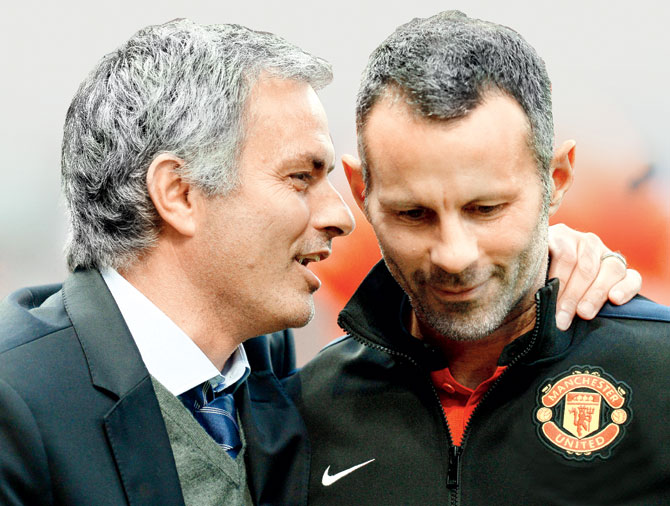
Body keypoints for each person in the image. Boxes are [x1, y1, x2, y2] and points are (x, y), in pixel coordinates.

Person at [0, 17, 642, 506]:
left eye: (486, 209)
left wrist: (537, 256)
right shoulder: (15, 403)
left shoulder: (265, 368)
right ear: (181, 194)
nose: (340, 213)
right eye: (301, 176)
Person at [287, 11, 670, 505]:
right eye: (413, 213)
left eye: (485, 209)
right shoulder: (303, 412)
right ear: (362, 191)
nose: (453, 255)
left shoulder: (660, 374)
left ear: (555, 180)